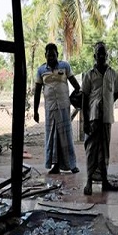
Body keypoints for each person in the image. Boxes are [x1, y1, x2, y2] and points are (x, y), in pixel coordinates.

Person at [34, 43, 81, 175]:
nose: (51, 58)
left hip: (64, 107)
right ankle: (55, 166)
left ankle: (72, 165)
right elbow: (37, 91)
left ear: (57, 55)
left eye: (53, 55)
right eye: (49, 55)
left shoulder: (65, 66)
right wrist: (35, 111)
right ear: (45, 55)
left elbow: (76, 85)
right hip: (50, 108)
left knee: (66, 136)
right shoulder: (41, 70)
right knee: (53, 137)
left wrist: (75, 97)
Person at [82, 41, 118, 195]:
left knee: (104, 151)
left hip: (106, 119)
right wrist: (86, 121)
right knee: (91, 150)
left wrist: (107, 104)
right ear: (94, 56)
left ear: (106, 55)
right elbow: (85, 98)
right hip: (93, 118)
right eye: (98, 53)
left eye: (103, 53)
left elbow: (116, 93)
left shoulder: (113, 74)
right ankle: (89, 182)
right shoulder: (89, 74)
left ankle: (105, 182)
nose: (101, 56)